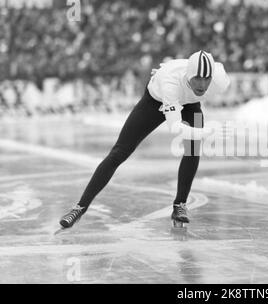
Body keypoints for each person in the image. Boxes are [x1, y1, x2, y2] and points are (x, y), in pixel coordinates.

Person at [59, 50, 231, 228]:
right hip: (155, 101)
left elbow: (205, 86)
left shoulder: (220, 80)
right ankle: (80, 207)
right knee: (120, 152)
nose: (202, 85)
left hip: (189, 104)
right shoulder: (170, 82)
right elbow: (176, 127)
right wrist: (206, 132)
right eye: (197, 78)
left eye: (206, 79)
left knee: (193, 149)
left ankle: (180, 204)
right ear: (188, 75)